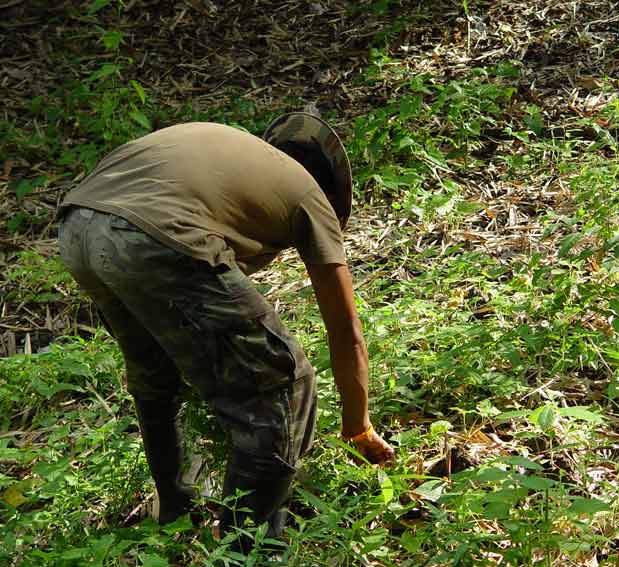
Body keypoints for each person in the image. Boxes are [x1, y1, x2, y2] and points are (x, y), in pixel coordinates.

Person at [57, 113, 394, 553]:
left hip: (76, 227)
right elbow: (345, 329)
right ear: (329, 187)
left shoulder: (230, 150)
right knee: (285, 382)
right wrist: (358, 427)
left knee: (156, 374)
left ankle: (177, 516)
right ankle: (246, 549)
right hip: (152, 234)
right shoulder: (310, 195)